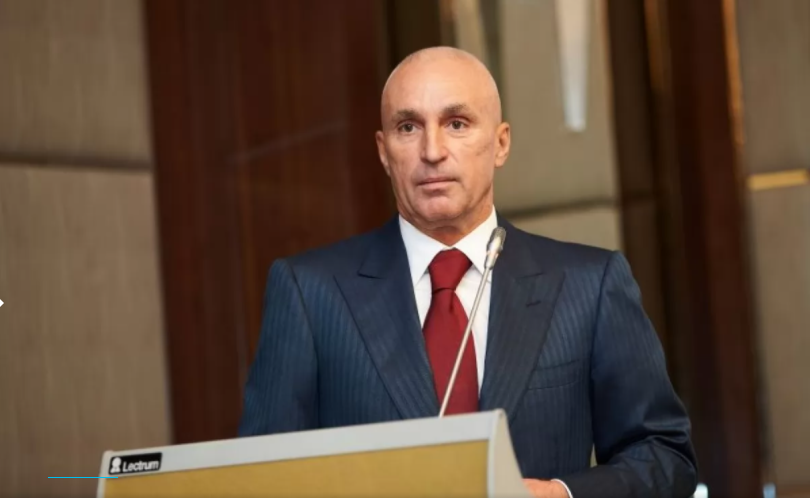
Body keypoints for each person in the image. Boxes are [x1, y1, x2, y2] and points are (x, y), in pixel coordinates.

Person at [238, 47, 697, 498]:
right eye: (408, 127)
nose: (432, 151)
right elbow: (258, 480)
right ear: (383, 151)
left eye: (456, 123)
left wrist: (559, 494)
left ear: (501, 143)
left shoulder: (589, 285)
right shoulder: (310, 292)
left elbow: (664, 457)